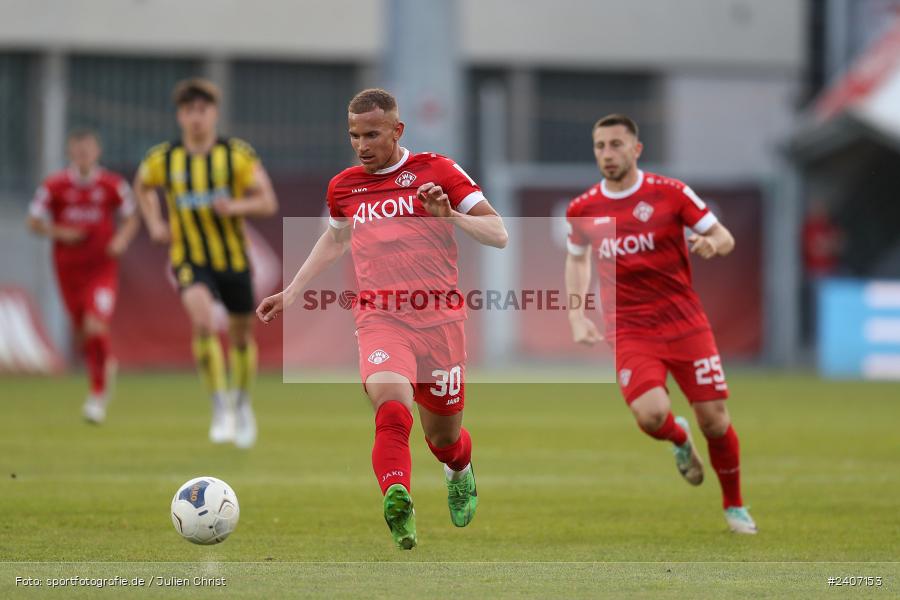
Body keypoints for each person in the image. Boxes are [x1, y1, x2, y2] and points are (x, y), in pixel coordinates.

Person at [257, 88, 508, 549]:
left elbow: (499, 233)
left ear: (398, 130)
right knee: (392, 406)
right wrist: (292, 291)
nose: (361, 145)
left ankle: (459, 468)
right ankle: (398, 496)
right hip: (381, 319)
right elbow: (335, 240)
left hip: (441, 324)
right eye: (354, 135)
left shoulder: (437, 172)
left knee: (443, 439)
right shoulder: (344, 186)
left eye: (372, 134)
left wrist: (448, 215)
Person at [565, 114, 757, 534]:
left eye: (616, 145)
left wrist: (711, 243)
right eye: (600, 146)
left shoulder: (671, 194)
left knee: (716, 420)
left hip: (685, 323)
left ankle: (735, 506)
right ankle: (678, 438)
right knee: (651, 415)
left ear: (636, 149)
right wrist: (576, 315)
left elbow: (724, 237)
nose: (607, 154)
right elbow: (577, 259)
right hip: (630, 328)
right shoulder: (583, 208)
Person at [134, 78, 278, 448]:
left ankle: (243, 404)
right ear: (180, 116)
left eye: (202, 110)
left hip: (232, 257)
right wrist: (153, 222)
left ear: (213, 113)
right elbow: (142, 185)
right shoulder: (164, 158)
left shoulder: (236, 155)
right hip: (190, 258)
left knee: (241, 336)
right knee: (201, 323)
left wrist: (236, 206)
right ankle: (221, 408)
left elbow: (267, 201)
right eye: (188, 111)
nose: (196, 118)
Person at [27, 129, 140, 423]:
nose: (83, 156)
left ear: (97, 151)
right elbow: (33, 221)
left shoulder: (112, 185)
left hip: (101, 269)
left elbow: (131, 217)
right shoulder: (55, 186)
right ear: (70, 153)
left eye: (87, 150)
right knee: (83, 334)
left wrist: (122, 240)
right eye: (78, 151)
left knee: (94, 326)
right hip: (68, 271)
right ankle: (105, 365)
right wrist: (60, 232)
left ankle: (98, 394)